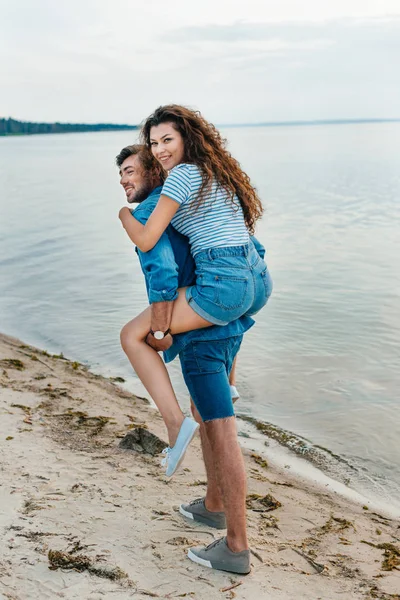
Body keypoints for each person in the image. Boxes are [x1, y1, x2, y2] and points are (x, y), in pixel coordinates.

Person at [117, 144, 271, 574]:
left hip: (202, 330)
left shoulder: (151, 212)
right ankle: (213, 504)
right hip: (229, 317)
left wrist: (163, 331)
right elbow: (251, 249)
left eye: (131, 171)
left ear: (153, 170)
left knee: (220, 430)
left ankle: (237, 548)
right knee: (205, 413)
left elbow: (163, 275)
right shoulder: (197, 201)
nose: (125, 181)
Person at [118, 105, 273, 477]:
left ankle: (176, 425)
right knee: (223, 318)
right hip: (258, 282)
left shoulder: (181, 177)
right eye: (154, 143)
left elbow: (151, 242)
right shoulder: (215, 172)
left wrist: (123, 215)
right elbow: (247, 242)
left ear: (187, 138)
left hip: (225, 286)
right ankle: (229, 386)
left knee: (131, 336)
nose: (159, 149)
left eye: (167, 140)